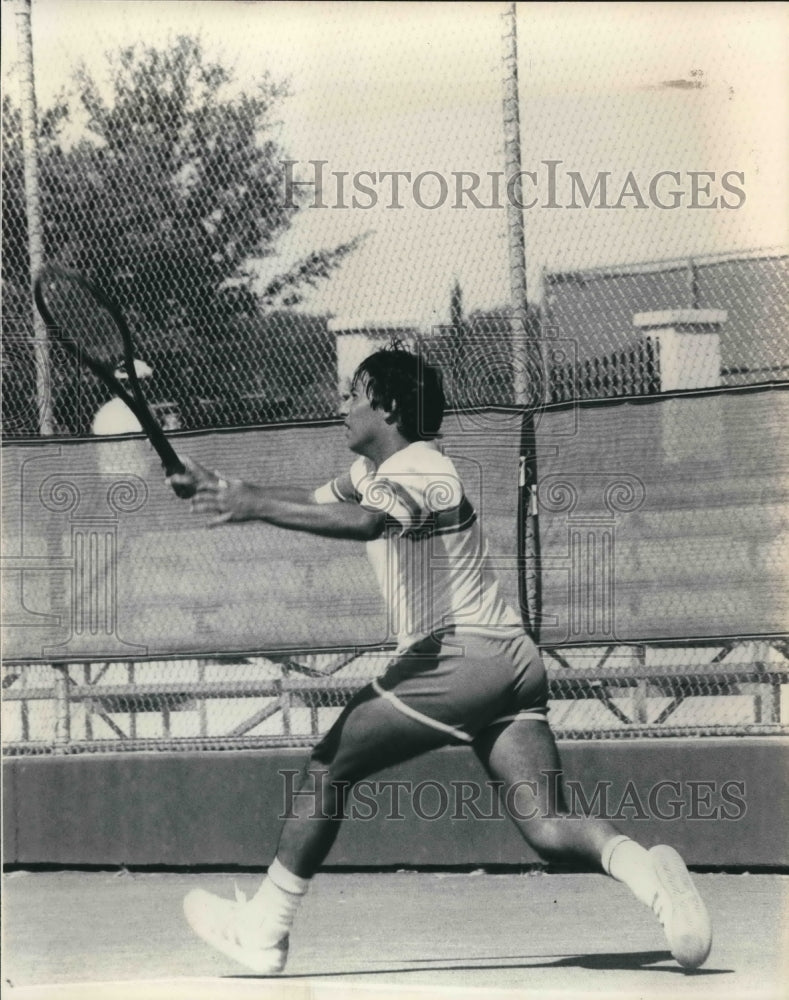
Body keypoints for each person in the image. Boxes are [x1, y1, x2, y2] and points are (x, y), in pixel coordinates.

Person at [169, 346, 712, 975]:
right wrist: (223, 488)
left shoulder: (424, 468)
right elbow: (320, 499)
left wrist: (253, 506)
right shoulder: (377, 471)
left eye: (355, 393)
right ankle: (655, 878)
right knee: (547, 826)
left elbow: (368, 524)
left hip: (456, 655)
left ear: (390, 406)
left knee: (328, 765)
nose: (341, 404)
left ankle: (263, 932)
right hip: (513, 663)